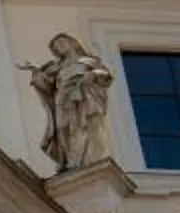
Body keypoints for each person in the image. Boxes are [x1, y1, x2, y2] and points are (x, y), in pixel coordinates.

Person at [27, 32, 116, 170]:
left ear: (71, 42)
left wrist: (92, 75)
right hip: (63, 100)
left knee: (82, 126)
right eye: (56, 47)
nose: (60, 46)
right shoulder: (57, 68)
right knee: (63, 128)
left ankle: (83, 160)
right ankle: (69, 159)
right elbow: (47, 86)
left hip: (83, 97)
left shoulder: (88, 61)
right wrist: (36, 73)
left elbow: (106, 76)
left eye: (62, 42)